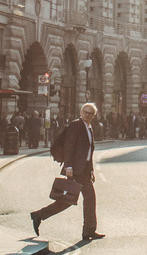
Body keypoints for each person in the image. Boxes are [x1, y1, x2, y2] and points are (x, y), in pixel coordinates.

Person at [29, 102, 104, 241]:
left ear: (94, 116)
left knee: (88, 199)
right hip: (75, 170)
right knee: (68, 200)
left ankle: (89, 231)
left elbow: (88, 151)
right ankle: (39, 215)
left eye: (91, 113)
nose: (88, 115)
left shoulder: (88, 127)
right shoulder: (76, 125)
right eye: (86, 112)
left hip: (85, 170)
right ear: (81, 112)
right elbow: (69, 146)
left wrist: (92, 170)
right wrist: (68, 167)